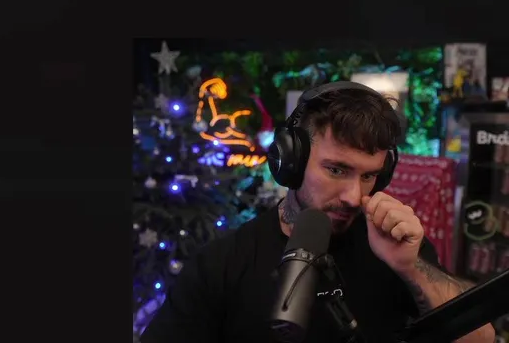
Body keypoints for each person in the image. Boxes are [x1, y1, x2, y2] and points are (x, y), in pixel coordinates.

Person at [140, 82, 494, 343]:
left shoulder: (393, 245)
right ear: (290, 161)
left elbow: (481, 339)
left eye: (368, 176)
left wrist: (411, 267)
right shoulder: (222, 264)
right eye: (336, 170)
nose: (354, 197)